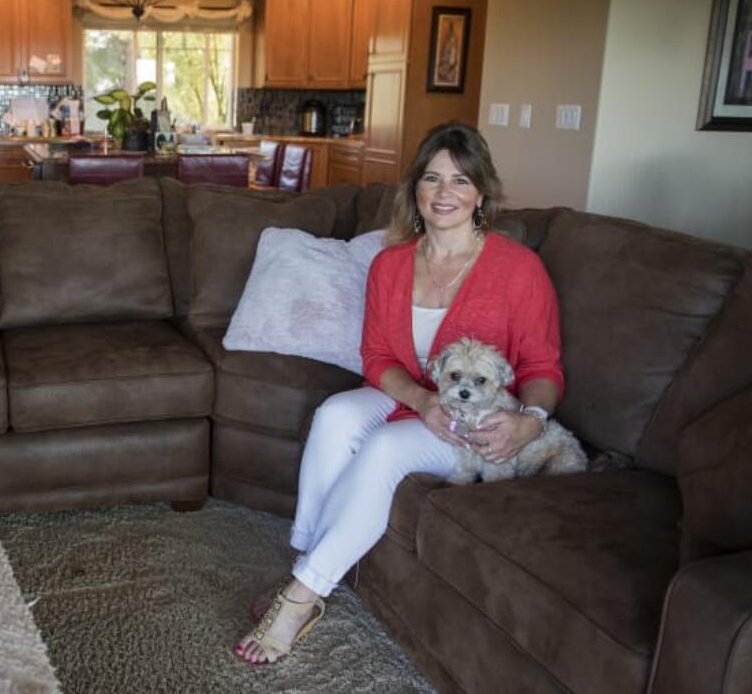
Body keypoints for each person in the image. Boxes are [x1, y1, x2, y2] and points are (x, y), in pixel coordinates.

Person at [235, 121, 564, 664]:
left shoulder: (518, 270)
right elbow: (377, 358)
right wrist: (421, 400)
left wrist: (529, 421)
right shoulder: (390, 264)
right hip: (418, 400)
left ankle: (300, 597)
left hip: (476, 423)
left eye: (460, 181)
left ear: (482, 192)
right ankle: (309, 557)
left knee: (384, 450)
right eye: (432, 179)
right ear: (415, 188)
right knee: (335, 414)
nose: (444, 194)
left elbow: (544, 366)